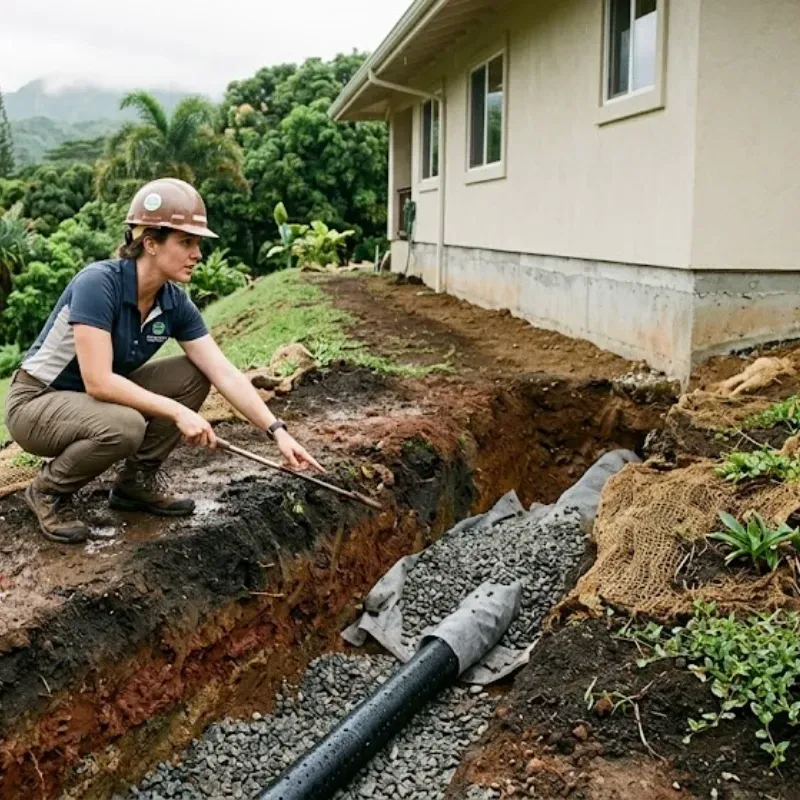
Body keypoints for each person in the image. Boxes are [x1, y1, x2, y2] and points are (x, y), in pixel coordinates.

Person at [3, 178, 323, 545]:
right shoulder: (98, 284)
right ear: (150, 243)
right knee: (125, 426)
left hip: (92, 404)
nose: (197, 253)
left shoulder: (173, 302)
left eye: (198, 243)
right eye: (186, 242)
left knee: (193, 373)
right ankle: (47, 490)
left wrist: (277, 431)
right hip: (37, 404)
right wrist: (177, 412)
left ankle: (134, 484)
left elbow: (222, 370)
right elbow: (98, 381)